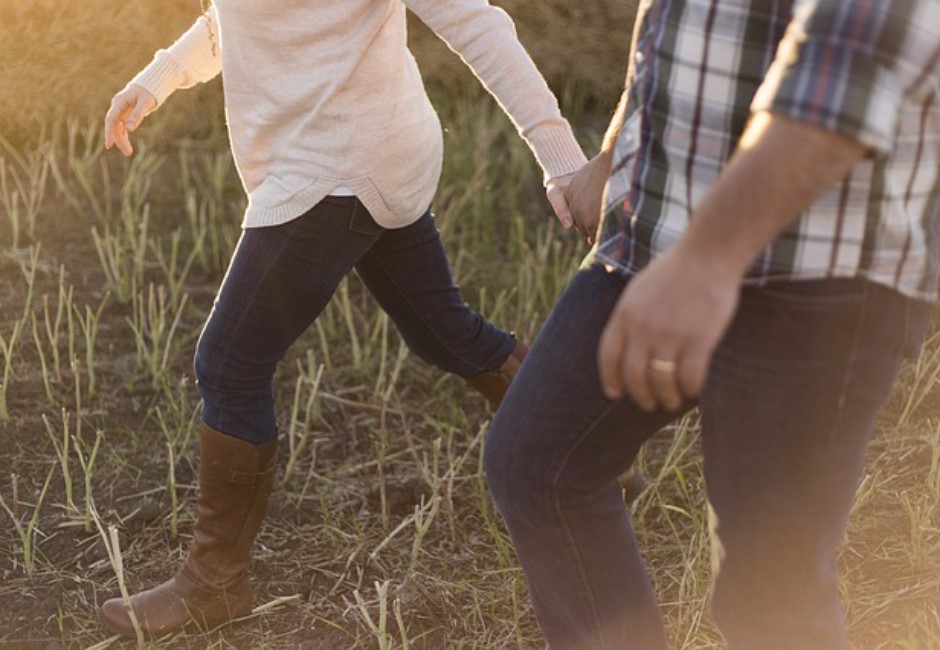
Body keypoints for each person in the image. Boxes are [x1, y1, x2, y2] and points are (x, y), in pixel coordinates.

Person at [96, 0, 595, 638]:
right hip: (370, 146)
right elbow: (236, 20)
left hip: (337, 165)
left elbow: (475, 22)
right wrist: (155, 80)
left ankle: (214, 582)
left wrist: (565, 164)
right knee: (441, 332)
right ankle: (581, 445)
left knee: (228, 363)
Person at [484, 1, 940, 648]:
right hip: (661, 233)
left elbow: (847, 72)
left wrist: (707, 260)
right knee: (538, 463)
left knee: (769, 597)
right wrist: (617, 149)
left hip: (817, 268)